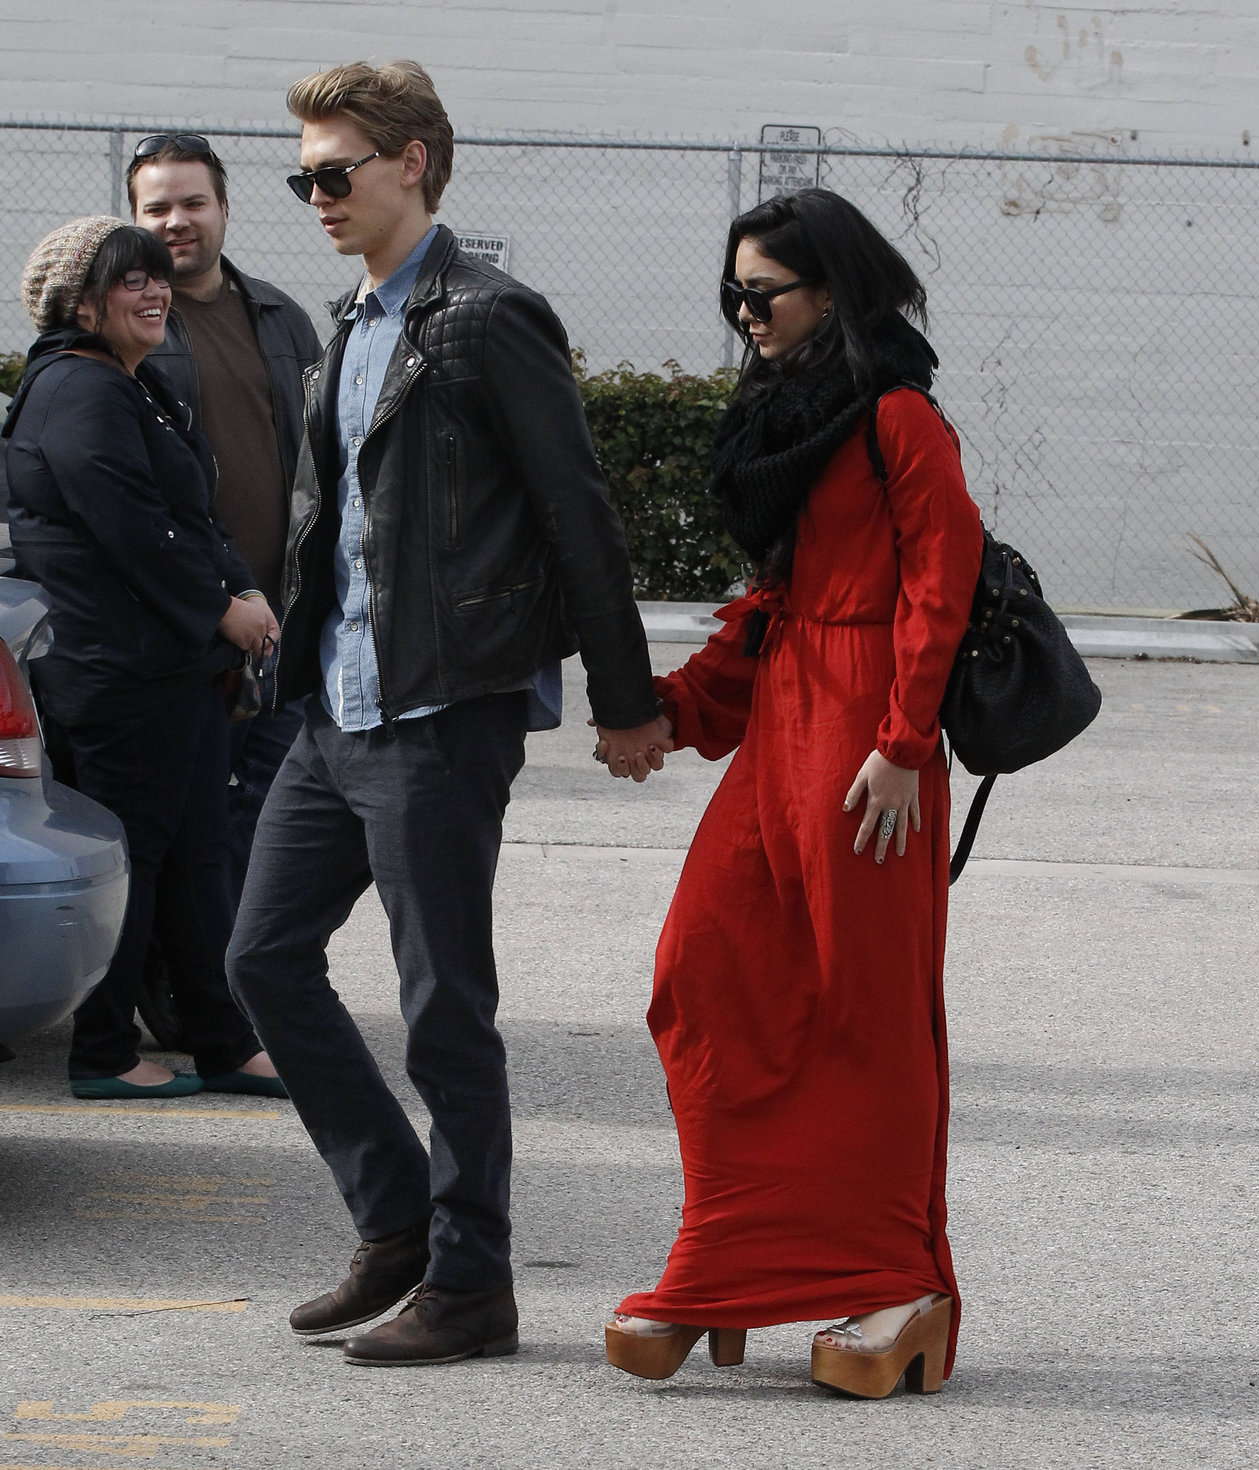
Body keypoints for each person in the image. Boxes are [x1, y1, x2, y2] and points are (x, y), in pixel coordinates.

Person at [225, 61, 665, 1368]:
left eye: (335, 170)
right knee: (259, 958)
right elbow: (335, 525)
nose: (313, 193)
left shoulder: (485, 317)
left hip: (437, 711)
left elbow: (577, 510)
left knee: (443, 1006)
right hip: (335, 710)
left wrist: (625, 700)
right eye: (302, 174)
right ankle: (399, 1216)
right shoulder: (351, 322)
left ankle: (473, 1283)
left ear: (413, 161)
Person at [602, 189, 983, 1397]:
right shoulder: (783, 417)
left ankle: (898, 1284)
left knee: (861, 1015)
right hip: (785, 735)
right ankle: (730, 1263)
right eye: (735, 295)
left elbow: (942, 577)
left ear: (834, 291)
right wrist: (683, 708)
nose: (745, 315)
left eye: (763, 293)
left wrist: (904, 742)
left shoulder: (899, 416)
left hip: (872, 749)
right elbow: (777, 600)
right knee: (704, 979)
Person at [2, 217, 285, 1100]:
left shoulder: (135, 385)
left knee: (199, 855)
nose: (155, 293)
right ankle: (102, 1053)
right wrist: (218, 608)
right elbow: (133, 527)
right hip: (121, 676)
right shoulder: (78, 391)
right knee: (147, 859)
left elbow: (195, 517)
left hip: (173, 669)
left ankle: (220, 1036)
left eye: (159, 278)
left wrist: (244, 594)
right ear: (80, 303)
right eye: (132, 281)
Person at [128, 132, 323, 906]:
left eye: (192, 202)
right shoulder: (127, 327)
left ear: (223, 210)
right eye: (157, 206)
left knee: (272, 812)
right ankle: (193, 984)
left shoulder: (281, 318)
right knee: (189, 820)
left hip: (284, 619)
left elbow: (322, 460)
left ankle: (233, 974)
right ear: (135, 218)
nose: (176, 219)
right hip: (191, 625)